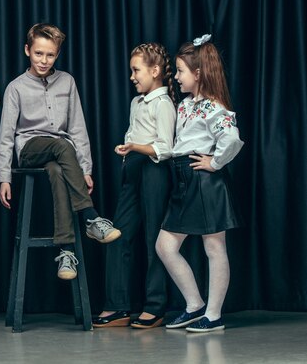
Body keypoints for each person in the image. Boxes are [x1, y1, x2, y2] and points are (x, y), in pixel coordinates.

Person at [0, 23, 121, 282]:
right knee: (62, 146)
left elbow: (78, 127)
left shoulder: (67, 82)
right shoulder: (16, 87)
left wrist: (85, 169)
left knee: (57, 168)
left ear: (57, 54)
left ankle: (66, 250)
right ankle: (90, 217)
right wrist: (4, 177)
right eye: (39, 53)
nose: (44, 60)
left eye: (50, 55)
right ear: (27, 50)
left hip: (60, 155)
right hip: (30, 148)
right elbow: (7, 135)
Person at [155, 34, 244, 333]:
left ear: (198, 73)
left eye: (180, 71)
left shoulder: (214, 107)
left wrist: (215, 163)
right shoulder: (185, 106)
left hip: (205, 182)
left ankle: (214, 314)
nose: (176, 77)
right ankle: (195, 305)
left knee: (214, 247)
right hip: (183, 180)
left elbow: (231, 139)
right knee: (165, 246)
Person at [93, 43, 177, 329]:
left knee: (155, 238)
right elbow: (134, 134)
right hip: (134, 169)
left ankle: (155, 306)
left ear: (155, 71)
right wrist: (129, 150)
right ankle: (117, 306)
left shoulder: (164, 104)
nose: (132, 76)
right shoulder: (136, 102)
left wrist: (136, 147)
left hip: (155, 171)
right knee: (118, 234)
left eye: (136, 70)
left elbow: (166, 148)